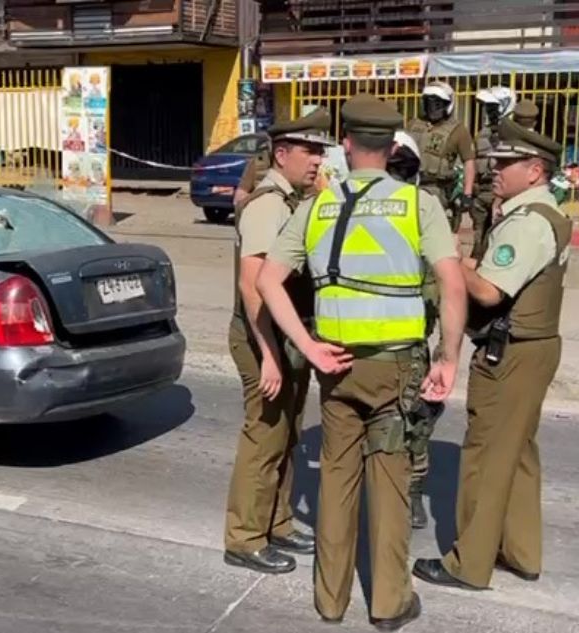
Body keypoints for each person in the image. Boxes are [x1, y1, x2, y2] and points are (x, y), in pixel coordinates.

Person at [256, 94, 466, 630]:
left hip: (335, 367)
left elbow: (266, 281)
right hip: (394, 368)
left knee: (336, 481)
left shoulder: (314, 206)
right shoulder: (418, 203)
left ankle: (330, 600)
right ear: (394, 144)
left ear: (345, 145)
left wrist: (307, 346)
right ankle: (389, 603)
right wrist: (449, 358)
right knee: (391, 484)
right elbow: (451, 280)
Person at [413, 119, 570, 591]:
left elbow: (487, 290)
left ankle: (470, 563)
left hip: (513, 352)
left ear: (536, 170)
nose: (494, 170)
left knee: (485, 457)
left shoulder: (529, 223)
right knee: (518, 454)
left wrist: (450, 258)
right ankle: (520, 552)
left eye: (506, 164)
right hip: (532, 347)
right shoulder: (543, 212)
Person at [223, 108, 332, 575]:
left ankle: (278, 522)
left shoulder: (295, 200)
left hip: (287, 337)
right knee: (264, 437)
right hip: (259, 337)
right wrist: (268, 353)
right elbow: (253, 287)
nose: (318, 160)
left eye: (321, 151)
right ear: (282, 154)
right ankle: (244, 538)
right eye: (310, 151)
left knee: (287, 434)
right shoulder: (268, 203)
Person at [385, 131, 447, 531]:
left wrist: (444, 350)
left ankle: (411, 493)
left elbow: (442, 280)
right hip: (369, 337)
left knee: (417, 419)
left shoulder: (425, 210)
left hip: (411, 337)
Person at [409, 82, 476, 232]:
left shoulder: (458, 130)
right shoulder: (414, 125)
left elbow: (469, 162)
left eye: (437, 104)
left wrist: (467, 193)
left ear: (447, 104)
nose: (432, 109)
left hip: (438, 190)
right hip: (412, 186)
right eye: (429, 103)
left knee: (436, 231)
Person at [472, 87, 516, 255]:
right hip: (481, 194)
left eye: (492, 107)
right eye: (487, 107)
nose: (488, 111)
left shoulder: (513, 133)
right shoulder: (483, 133)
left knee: (499, 241)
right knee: (478, 244)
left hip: (501, 194)